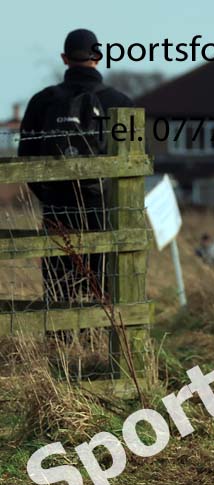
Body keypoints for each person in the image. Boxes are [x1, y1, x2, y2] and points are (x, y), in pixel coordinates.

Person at [17, 29, 134, 304]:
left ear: (64, 58)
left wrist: (51, 197)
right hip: (105, 212)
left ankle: (62, 346)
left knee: (59, 292)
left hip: (58, 210)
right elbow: (136, 167)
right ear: (99, 57)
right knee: (105, 293)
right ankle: (101, 345)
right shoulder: (120, 103)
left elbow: (26, 162)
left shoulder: (43, 101)